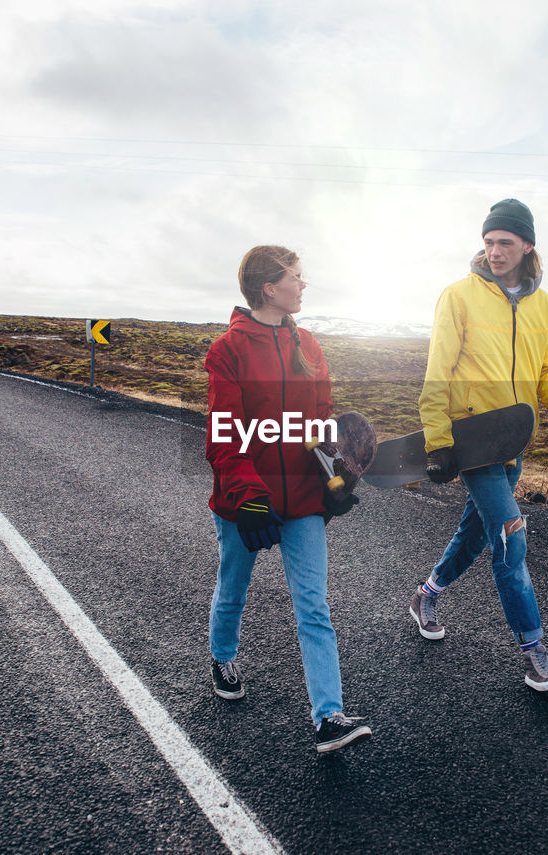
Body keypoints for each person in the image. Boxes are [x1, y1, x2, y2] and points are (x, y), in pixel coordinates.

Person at [409, 199, 548, 691]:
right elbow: (438, 372)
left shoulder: (544, 305)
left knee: (474, 536)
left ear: (527, 245)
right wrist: (438, 441)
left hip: (513, 442)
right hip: (471, 442)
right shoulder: (459, 296)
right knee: (512, 542)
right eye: (488, 242)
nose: (494, 251)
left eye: (505, 242)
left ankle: (425, 594)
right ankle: (535, 653)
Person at [204, 245, 371, 753]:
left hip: (301, 497)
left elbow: (320, 421)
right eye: (296, 278)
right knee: (234, 587)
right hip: (244, 500)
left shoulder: (310, 345)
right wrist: (250, 497)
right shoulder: (227, 350)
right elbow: (223, 438)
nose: (304, 285)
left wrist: (336, 473)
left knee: (313, 606)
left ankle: (329, 716)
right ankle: (223, 656)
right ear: (268, 289)